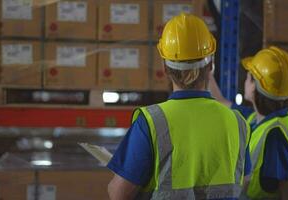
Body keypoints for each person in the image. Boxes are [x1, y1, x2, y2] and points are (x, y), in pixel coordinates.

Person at [106, 13, 250, 200]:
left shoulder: (151, 122)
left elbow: (118, 193)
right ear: (211, 66)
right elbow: (244, 181)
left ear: (165, 68)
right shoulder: (237, 121)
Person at [209, 46, 288, 200]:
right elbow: (221, 102)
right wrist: (207, 72)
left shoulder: (274, 136)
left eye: (248, 76)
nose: (245, 80)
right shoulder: (258, 118)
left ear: (255, 87)